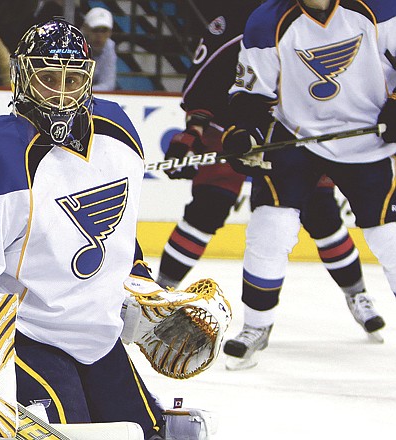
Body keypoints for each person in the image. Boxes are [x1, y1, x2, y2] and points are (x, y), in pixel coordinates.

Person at [0, 18, 227, 440]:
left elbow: (117, 236)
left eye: (73, 78)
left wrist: (143, 295)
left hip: (97, 336)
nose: (63, 92)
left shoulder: (118, 131)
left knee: (151, 435)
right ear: (23, 78)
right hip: (23, 335)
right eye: (48, 77)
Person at [157, 0, 385, 370]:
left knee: (322, 214)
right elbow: (206, 76)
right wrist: (195, 129)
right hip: (233, 131)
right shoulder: (237, 16)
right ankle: (160, 292)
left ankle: (357, 294)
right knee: (208, 208)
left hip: (292, 133)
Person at [220, 0, 396, 367]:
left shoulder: (378, 8)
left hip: (367, 142)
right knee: (270, 226)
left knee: (389, 238)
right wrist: (243, 130)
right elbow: (251, 91)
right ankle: (256, 325)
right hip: (297, 136)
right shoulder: (267, 21)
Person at [81, 6, 117, 91]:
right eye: (95, 30)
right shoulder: (73, 44)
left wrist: (85, 92)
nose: (99, 35)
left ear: (110, 32)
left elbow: (108, 84)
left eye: (104, 30)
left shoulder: (109, 47)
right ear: (86, 29)